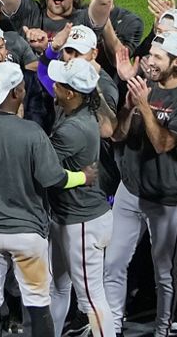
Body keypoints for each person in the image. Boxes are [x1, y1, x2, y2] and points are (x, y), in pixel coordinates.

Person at [0, 61, 97, 337]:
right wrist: (82, 177)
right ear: (16, 94)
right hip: (27, 237)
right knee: (38, 305)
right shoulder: (32, 133)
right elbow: (55, 179)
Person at [106, 32, 177, 337]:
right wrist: (127, 106)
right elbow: (118, 135)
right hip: (130, 190)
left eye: (158, 57)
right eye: (150, 55)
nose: (149, 62)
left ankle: (162, 331)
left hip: (165, 199)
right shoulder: (142, 86)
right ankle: (113, 327)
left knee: (164, 273)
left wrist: (145, 107)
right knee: (113, 264)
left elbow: (164, 144)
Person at [45, 59, 114, 337]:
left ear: (71, 93)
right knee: (58, 287)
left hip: (82, 222)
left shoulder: (72, 129)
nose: (54, 87)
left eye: (59, 84)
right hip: (70, 218)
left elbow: (42, 168)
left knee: (91, 300)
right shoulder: (75, 113)